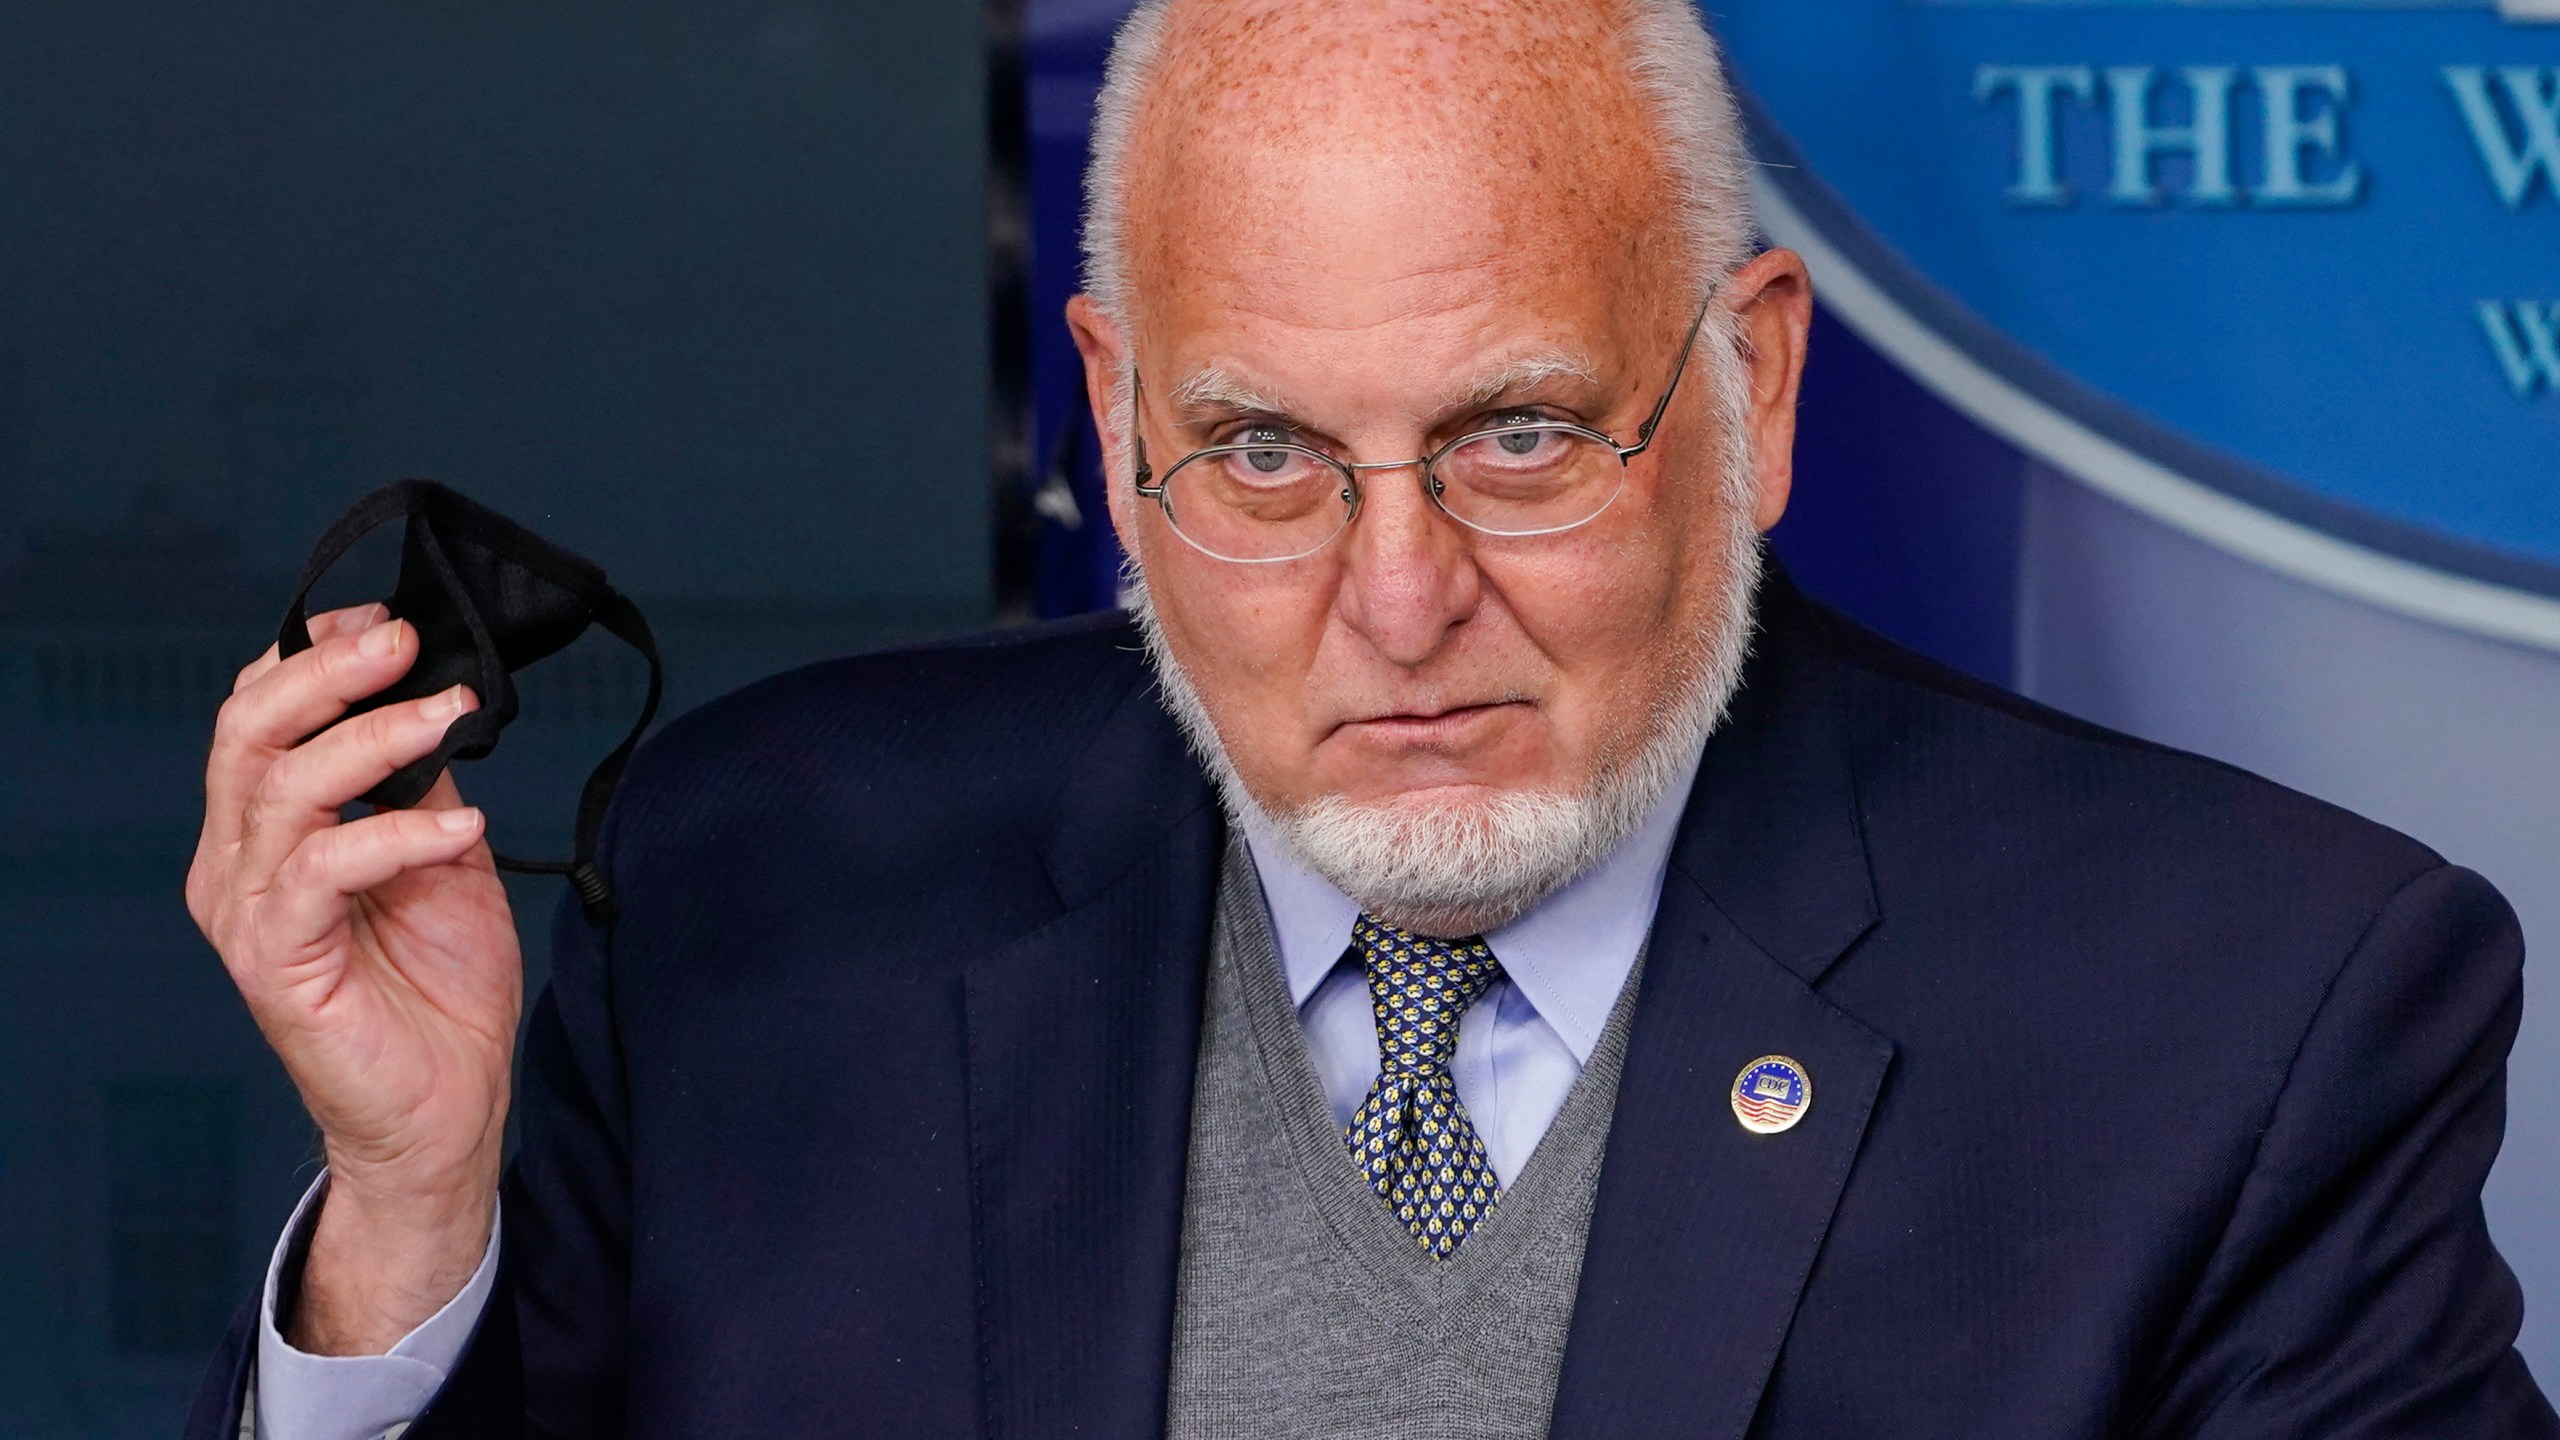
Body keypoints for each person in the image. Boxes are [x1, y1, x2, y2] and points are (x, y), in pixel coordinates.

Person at [185, 1, 2556, 1436]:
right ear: (1116, 423)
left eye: (1517, 436)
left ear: (1746, 387)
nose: (1392, 598)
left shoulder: (2249, 1012)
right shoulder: (753, 893)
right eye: (1264, 457)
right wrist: (409, 1214)